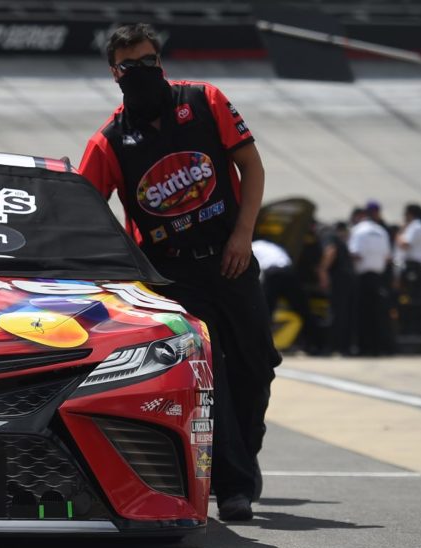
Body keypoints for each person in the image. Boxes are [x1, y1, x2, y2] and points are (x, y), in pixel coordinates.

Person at [78, 23, 280, 522]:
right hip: (172, 277)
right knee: (216, 375)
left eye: (150, 62)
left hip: (231, 258)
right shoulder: (108, 141)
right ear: (114, 73)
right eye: (131, 66)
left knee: (258, 364)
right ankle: (234, 487)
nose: (143, 72)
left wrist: (242, 235)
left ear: (161, 61)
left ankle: (243, 461)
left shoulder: (205, 99)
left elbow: (252, 168)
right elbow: (84, 210)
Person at [348, 207, 393, 356]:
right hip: (378, 278)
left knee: (362, 315)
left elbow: (354, 253)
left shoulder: (358, 230)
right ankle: (378, 347)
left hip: (362, 277)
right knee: (378, 314)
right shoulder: (381, 231)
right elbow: (387, 257)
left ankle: (363, 347)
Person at [253, 239, 312, 351]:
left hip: (273, 274)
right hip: (289, 272)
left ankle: (263, 345)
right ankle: (313, 343)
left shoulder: (253, 246)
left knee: (266, 311)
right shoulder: (274, 246)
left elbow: (257, 271)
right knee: (303, 309)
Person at [316, 222, 356, 356]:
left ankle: (332, 347)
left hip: (339, 278)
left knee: (336, 313)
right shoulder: (338, 237)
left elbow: (330, 251)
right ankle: (345, 347)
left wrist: (322, 270)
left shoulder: (326, 235)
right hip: (349, 277)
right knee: (346, 314)